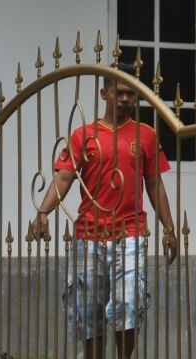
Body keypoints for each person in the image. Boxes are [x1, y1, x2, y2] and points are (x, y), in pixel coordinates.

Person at [27, 77, 179, 359]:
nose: (125, 99)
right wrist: (43, 212)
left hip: (130, 233)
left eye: (131, 95)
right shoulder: (83, 135)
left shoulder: (145, 135)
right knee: (89, 312)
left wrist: (169, 228)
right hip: (88, 235)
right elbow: (64, 178)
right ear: (104, 93)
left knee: (128, 305)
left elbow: (154, 184)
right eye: (119, 93)